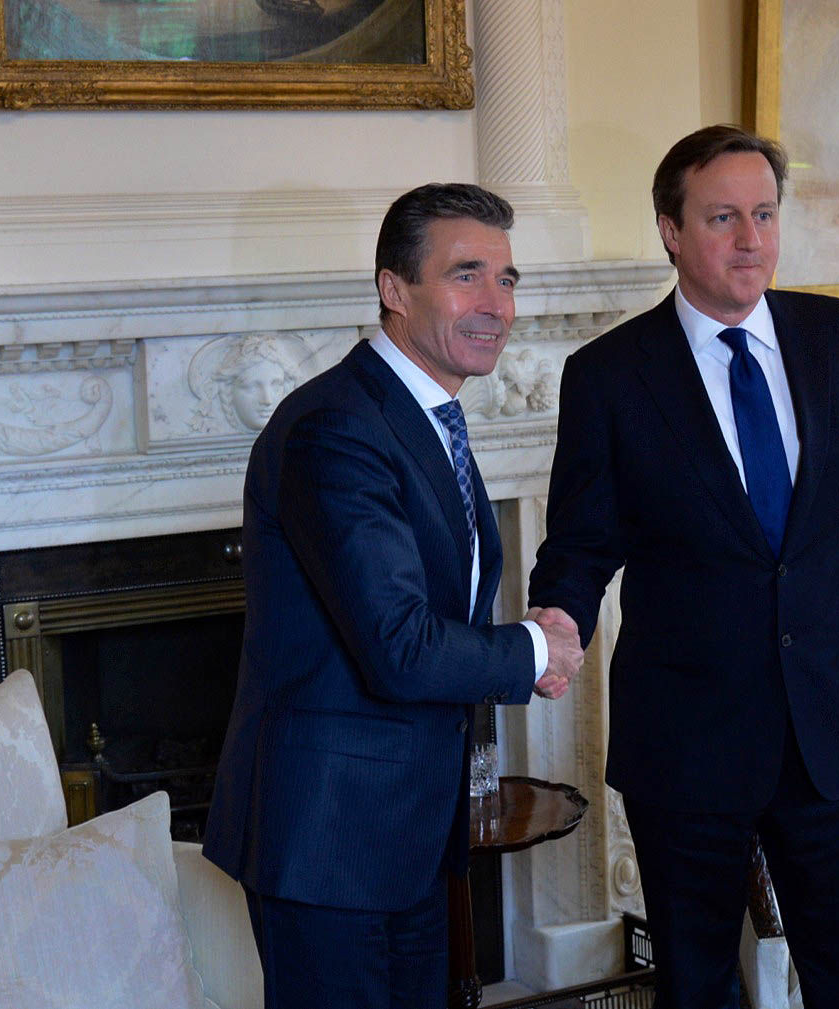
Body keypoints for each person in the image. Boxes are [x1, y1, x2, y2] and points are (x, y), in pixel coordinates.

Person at [527, 126, 839, 1009]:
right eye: (723, 216)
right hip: (685, 738)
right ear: (670, 230)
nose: (750, 239)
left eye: (764, 214)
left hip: (830, 728)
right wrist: (555, 625)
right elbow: (581, 540)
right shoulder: (608, 375)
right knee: (695, 987)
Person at [203, 183, 583, 1009]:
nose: (496, 305)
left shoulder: (429, 416)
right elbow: (401, 644)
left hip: (407, 829)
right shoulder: (335, 428)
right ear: (394, 288)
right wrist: (531, 649)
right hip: (330, 840)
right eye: (467, 275)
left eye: (508, 279)